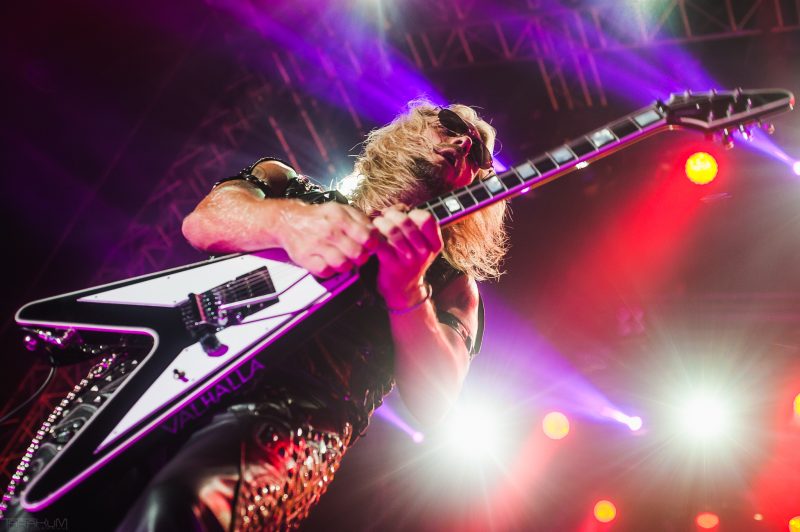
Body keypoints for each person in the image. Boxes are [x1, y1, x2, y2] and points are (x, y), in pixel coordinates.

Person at [13, 100, 507, 531]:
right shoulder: (287, 183)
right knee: (40, 512)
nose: (464, 144)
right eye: (450, 125)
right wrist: (290, 221)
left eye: (479, 155)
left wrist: (408, 291)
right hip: (166, 366)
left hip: (295, 418)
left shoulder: (451, 282)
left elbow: (436, 402)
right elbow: (204, 222)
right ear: (411, 127)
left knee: (181, 506)